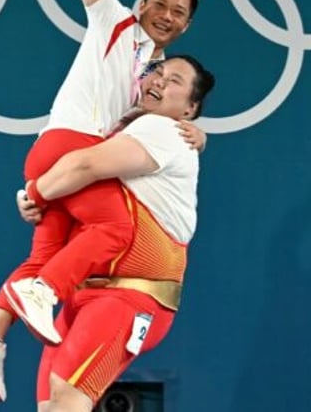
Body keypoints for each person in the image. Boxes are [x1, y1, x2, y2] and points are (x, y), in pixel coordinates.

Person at [0, 0, 203, 403]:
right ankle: (43, 294)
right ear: (142, 4)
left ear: (185, 26)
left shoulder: (157, 73)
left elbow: (143, 128)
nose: (165, 16)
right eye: (159, 4)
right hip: (70, 146)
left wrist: (198, 133)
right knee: (114, 230)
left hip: (63, 155)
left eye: (178, 13)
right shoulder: (114, 23)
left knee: (47, 251)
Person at [21, 55, 216, 411]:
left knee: (66, 402)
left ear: (190, 109)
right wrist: (36, 199)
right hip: (84, 295)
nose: (159, 80)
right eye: (157, 71)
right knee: (52, 406)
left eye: (174, 80)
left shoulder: (163, 129)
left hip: (129, 296)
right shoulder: (120, 130)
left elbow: (84, 165)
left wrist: (33, 191)